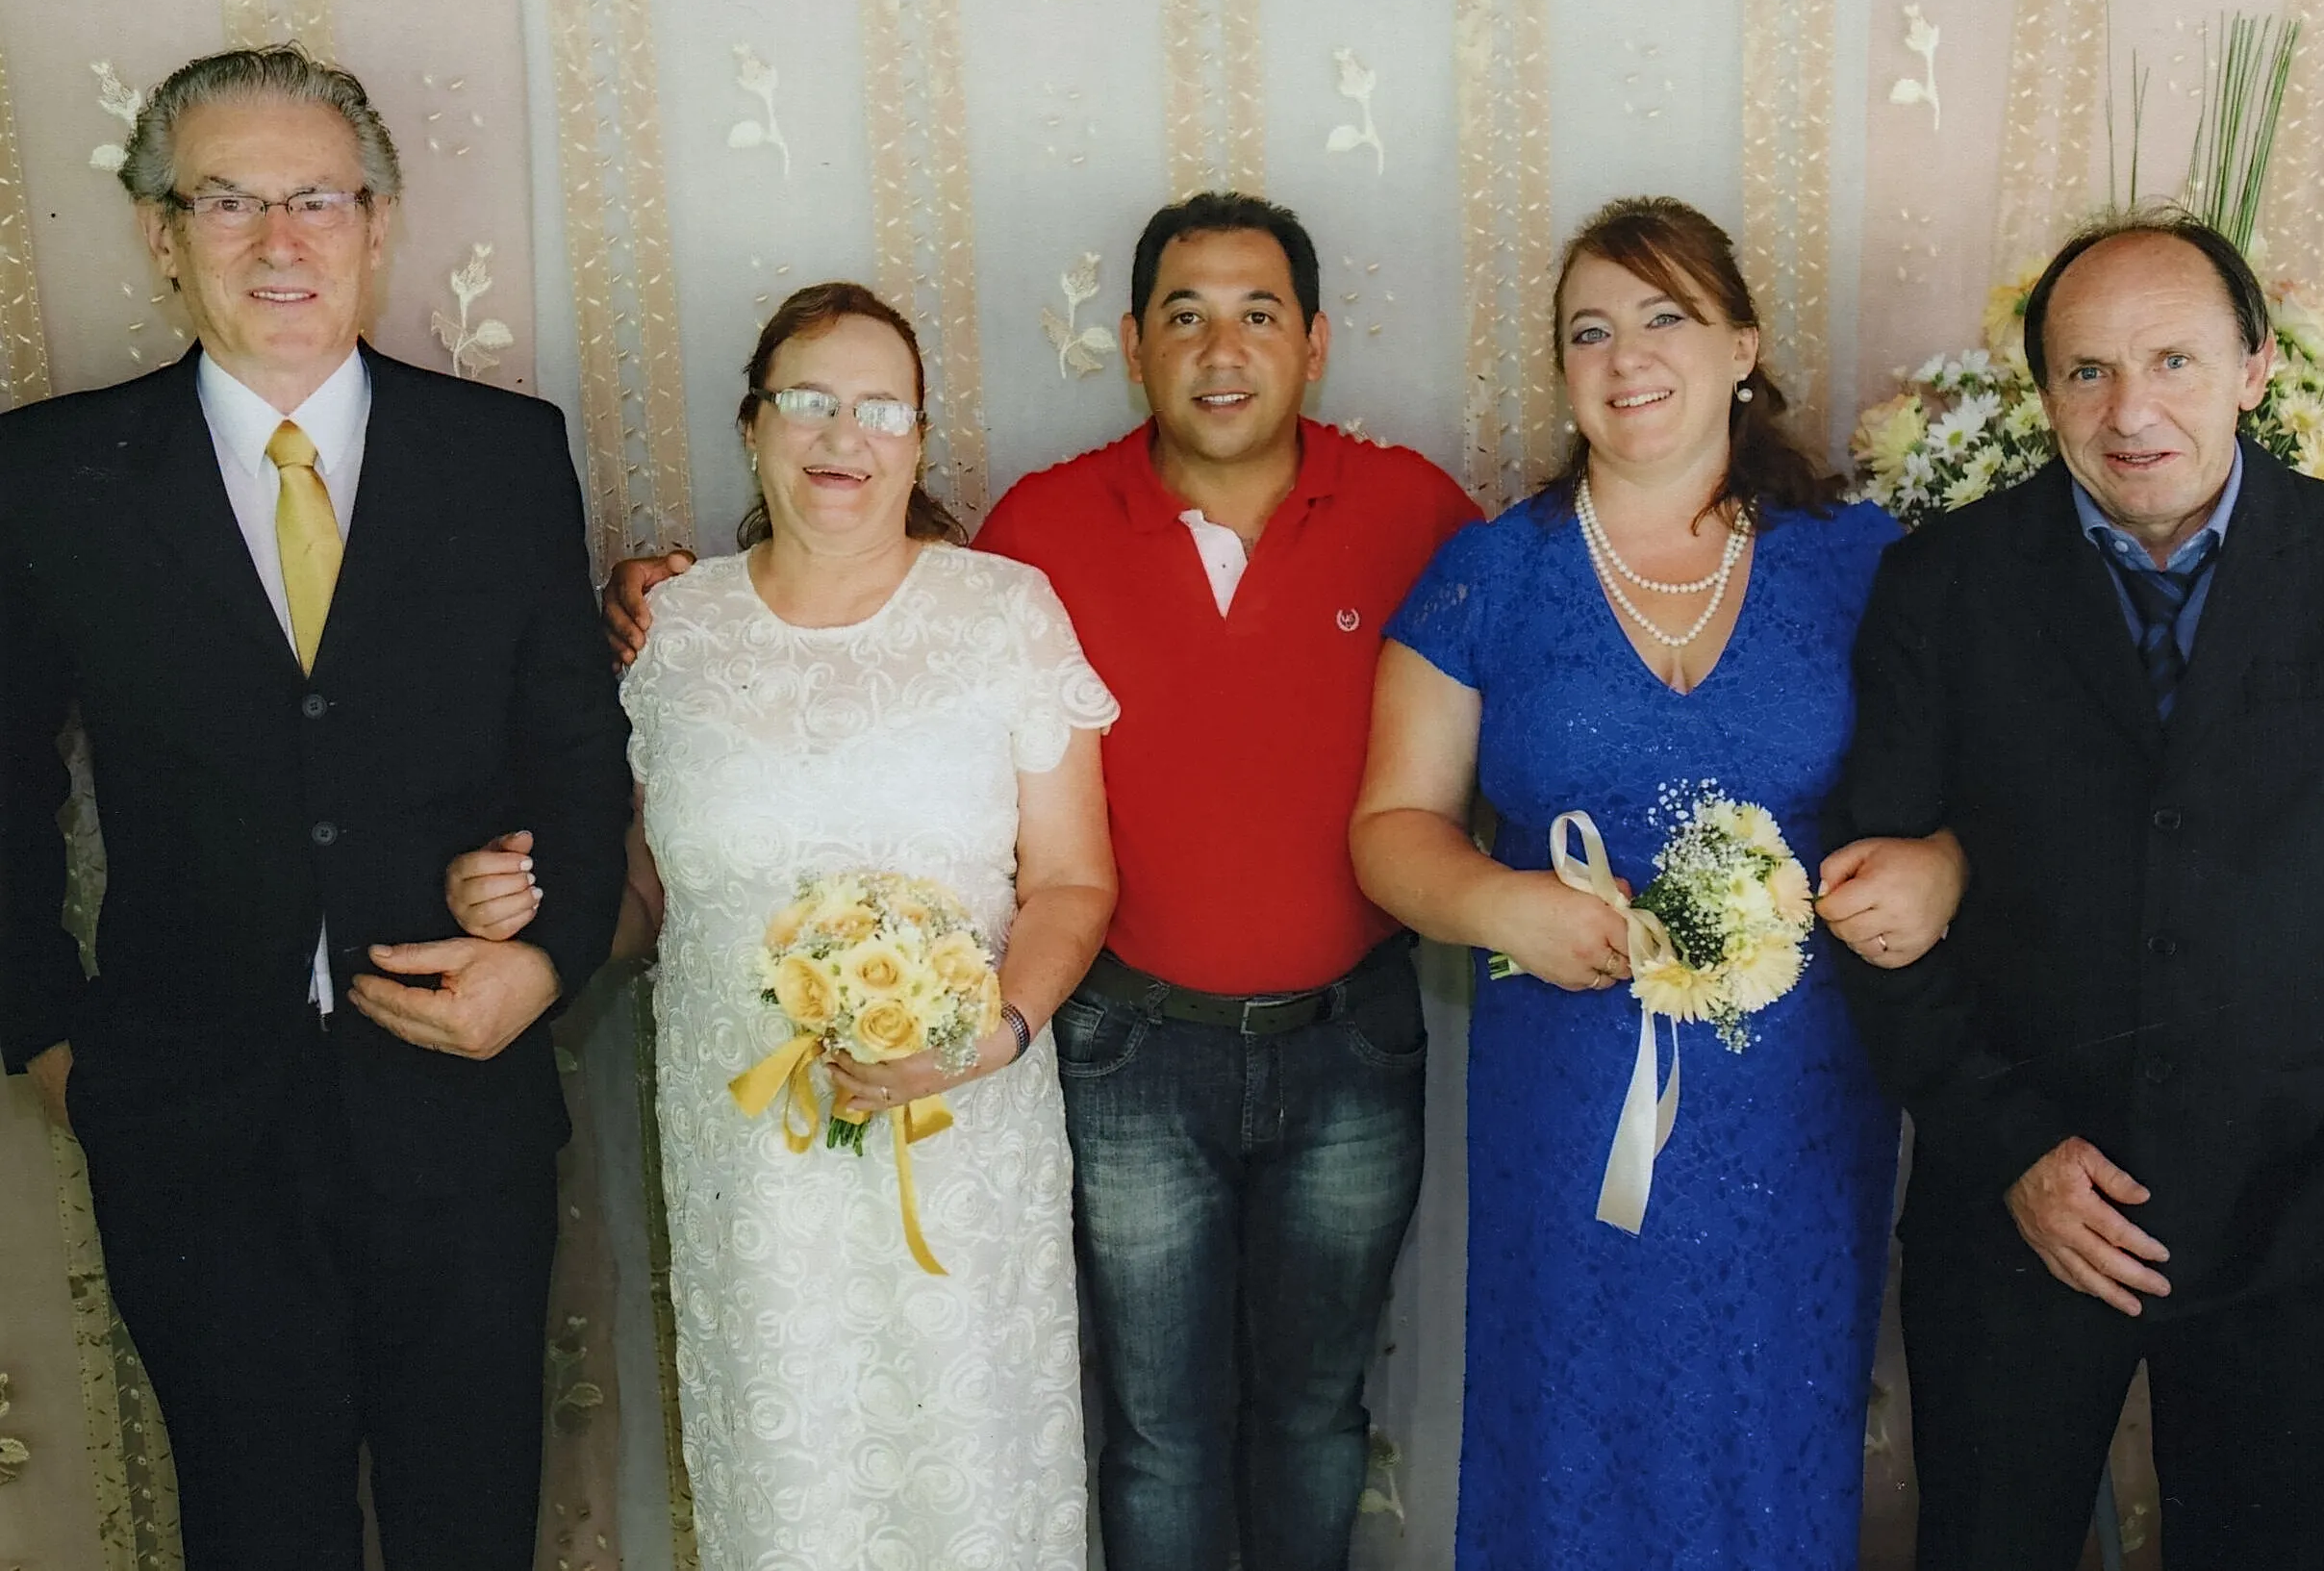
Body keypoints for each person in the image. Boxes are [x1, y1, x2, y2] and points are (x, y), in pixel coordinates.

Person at [603, 192, 1481, 1571]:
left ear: (1314, 342)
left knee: (1317, 1413)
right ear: (1132, 343)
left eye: (1259, 313)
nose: (1222, 346)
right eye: (1184, 314)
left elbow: (1531, 668)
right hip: (1129, 1045)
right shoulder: (1042, 527)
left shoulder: (1418, 509)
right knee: (1157, 1431)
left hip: (1351, 1035)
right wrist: (665, 599)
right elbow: (858, 643)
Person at [0, 47, 629, 1568]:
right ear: (160, 233)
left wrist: (543, 967)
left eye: (316, 198)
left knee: (469, 1530)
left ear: (377, 220)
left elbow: (579, 762)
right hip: (189, 1126)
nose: (279, 240)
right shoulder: (51, 473)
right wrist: (57, 1052)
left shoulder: (504, 455)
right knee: (256, 1533)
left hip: (458, 1123)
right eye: (227, 200)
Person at [451, 281, 1118, 1568]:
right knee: (789, 1489)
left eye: (881, 408)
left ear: (920, 440)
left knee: (972, 1471)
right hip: (750, 1162)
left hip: (962, 1136)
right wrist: (533, 907)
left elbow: (1075, 881)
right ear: (754, 426)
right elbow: (643, 898)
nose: (842, 436)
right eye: (807, 400)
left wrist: (995, 1028)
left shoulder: (1005, 613)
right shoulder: (670, 634)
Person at [1348, 195, 1965, 1569]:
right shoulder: (1490, 577)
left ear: (1743, 343)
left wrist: (1943, 865)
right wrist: (1502, 900)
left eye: (1666, 315)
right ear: (1564, 372)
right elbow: (1392, 824)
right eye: (1590, 329)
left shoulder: (1862, 567)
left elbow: (1988, 789)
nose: (1627, 354)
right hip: (1567, 1081)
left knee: (1771, 1408)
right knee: (1574, 1410)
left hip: (1798, 1098)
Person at [1831, 212, 2324, 1570]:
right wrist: (2010, 1146)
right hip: (2017, 1213)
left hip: (2308, 1216)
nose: (2131, 410)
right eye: (2087, 371)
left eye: (2174, 361)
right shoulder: (1940, 583)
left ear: (2256, 366)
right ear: (2043, 392)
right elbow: (1870, 901)